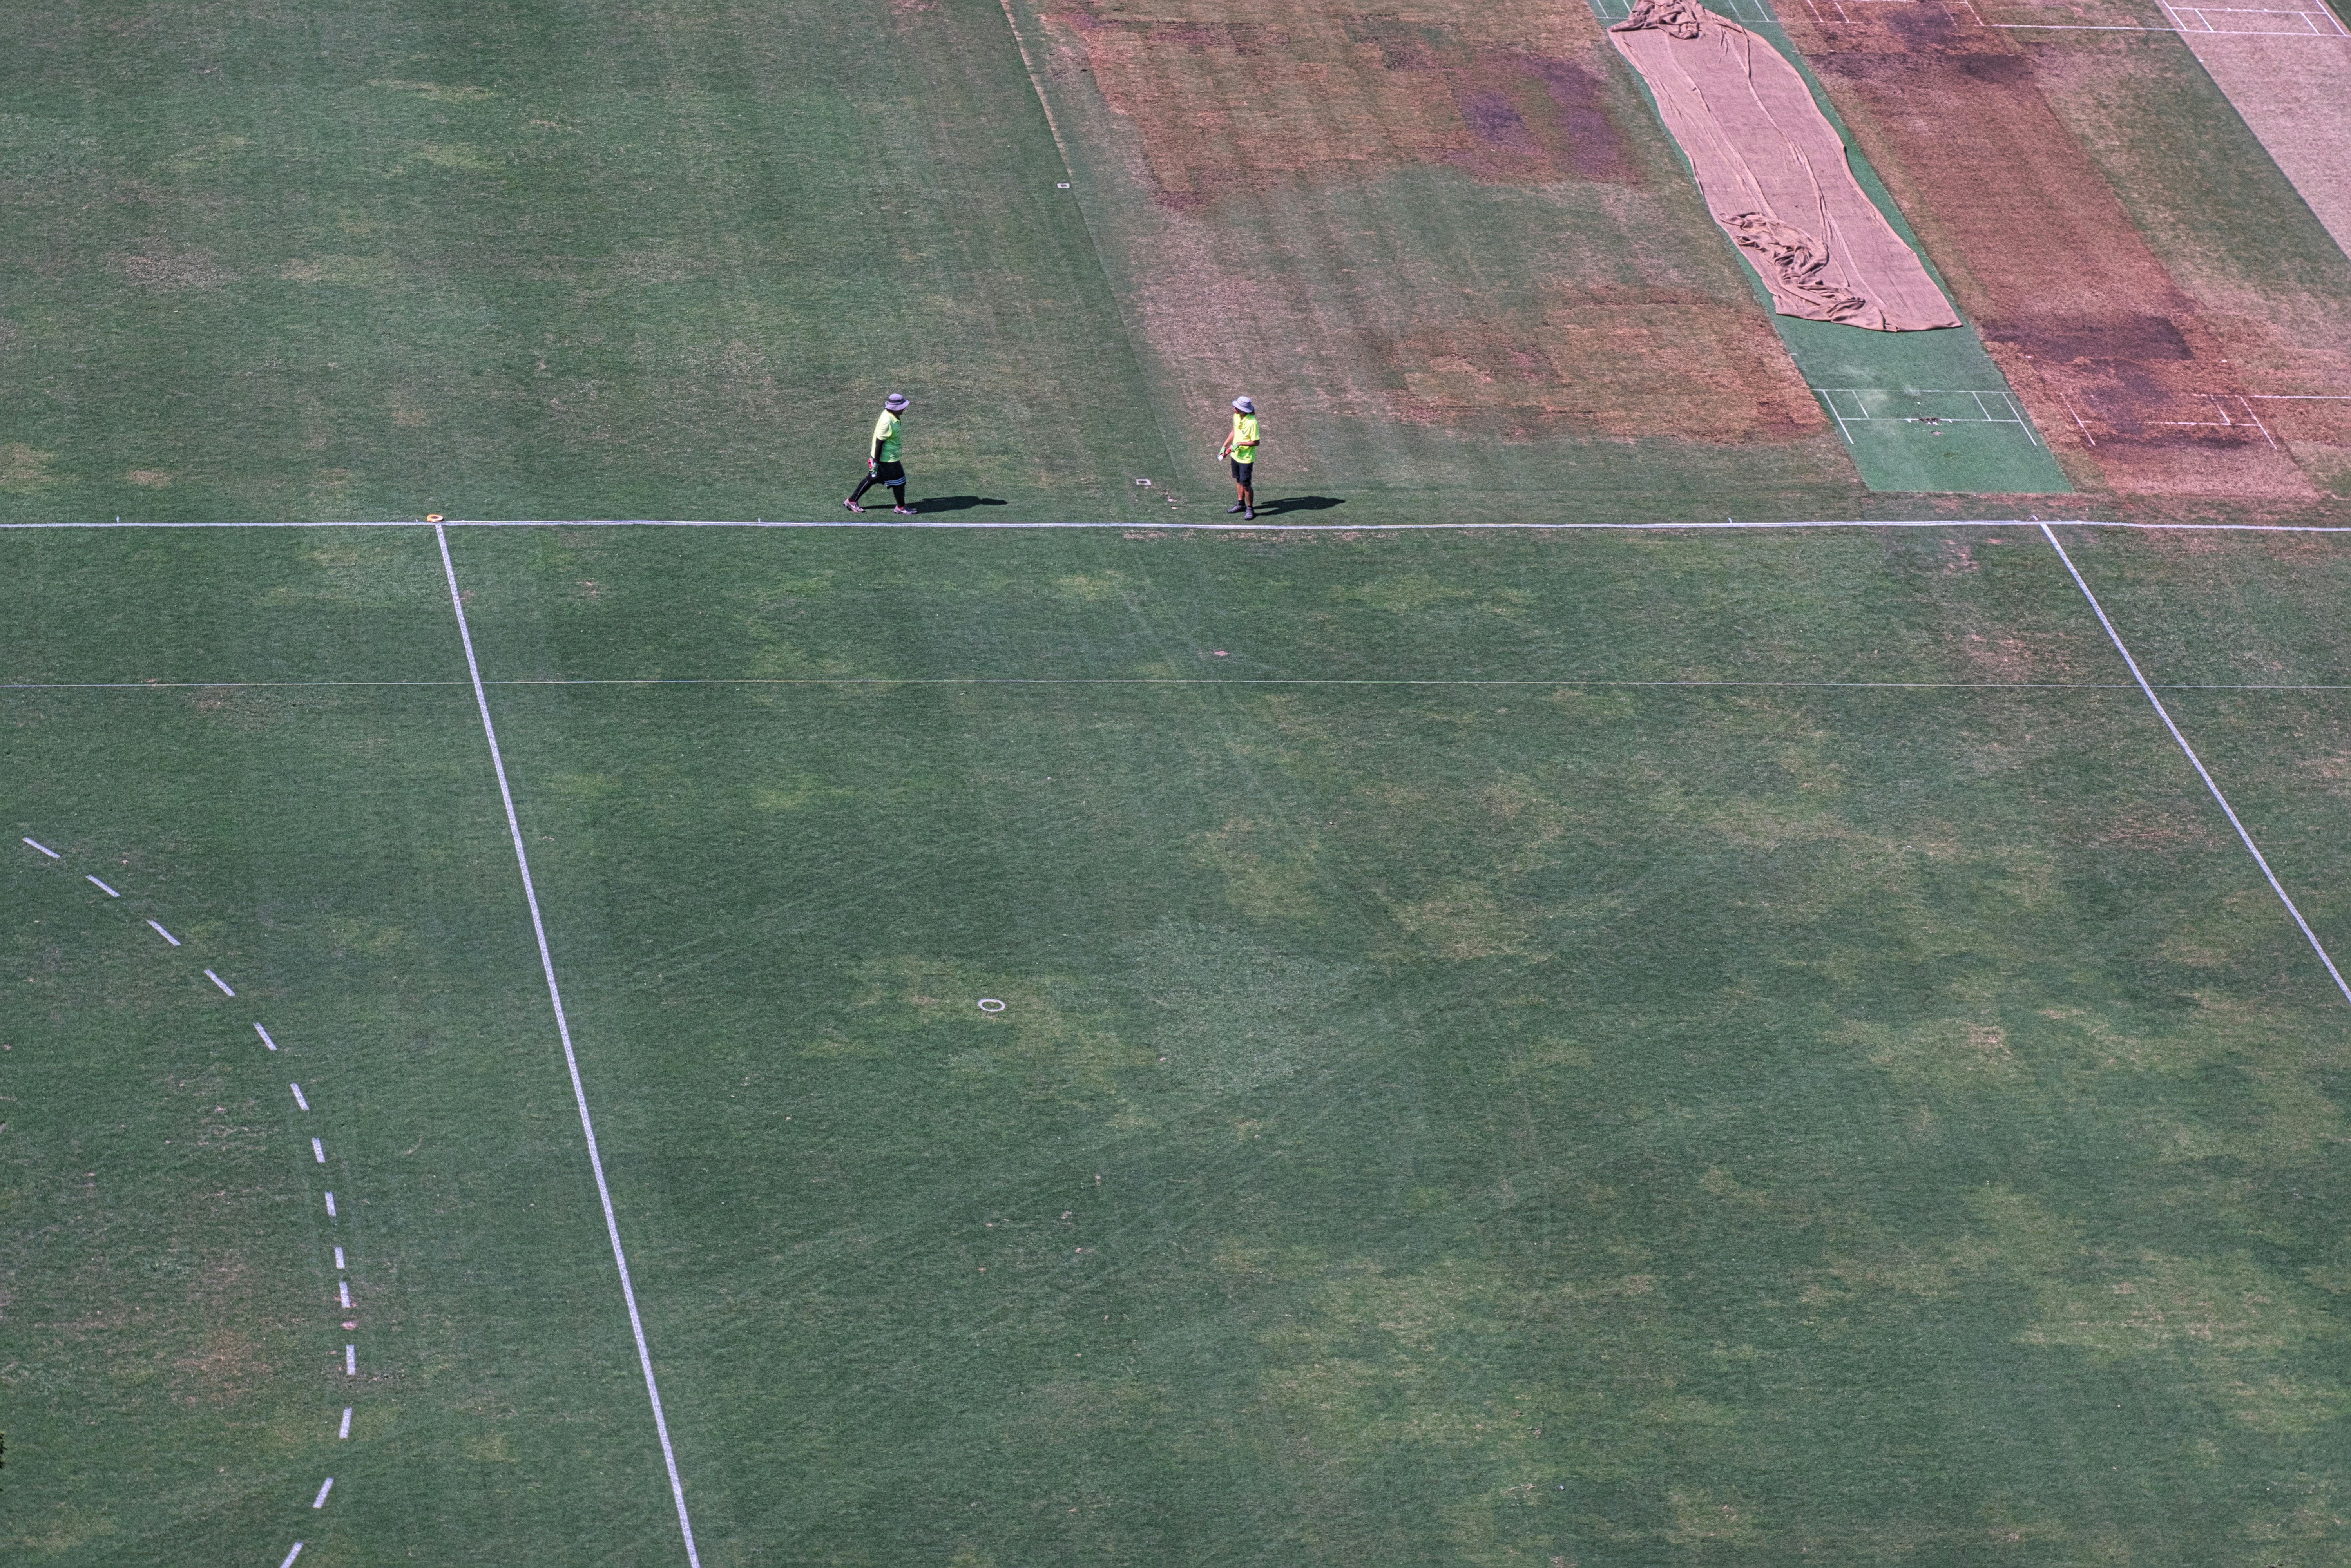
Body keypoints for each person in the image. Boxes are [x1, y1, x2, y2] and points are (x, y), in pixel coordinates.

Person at [845, 393, 915, 515]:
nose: (905, 408)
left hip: (886, 457)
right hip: (887, 459)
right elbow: (879, 443)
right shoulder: (888, 421)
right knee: (899, 481)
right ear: (896, 408)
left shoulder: (891, 415)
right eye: (903, 407)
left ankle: (852, 501)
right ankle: (901, 507)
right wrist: (877, 463)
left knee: (873, 479)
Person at [1219, 395, 1259, 518]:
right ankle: (1241, 504)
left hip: (1246, 459)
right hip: (1235, 456)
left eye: (1237, 407)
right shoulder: (1237, 416)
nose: (1234, 408)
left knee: (1246, 484)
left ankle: (1250, 509)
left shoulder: (1252, 423)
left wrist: (1240, 444)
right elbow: (1234, 431)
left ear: (1243, 410)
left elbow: (1256, 442)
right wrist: (1224, 446)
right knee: (1238, 480)